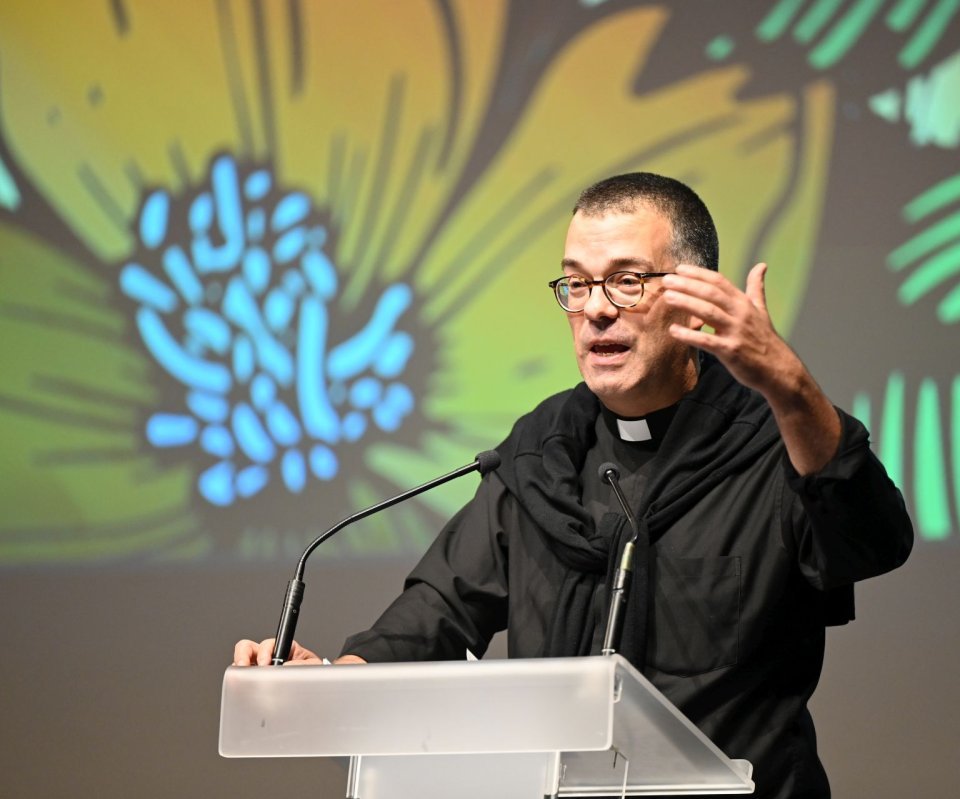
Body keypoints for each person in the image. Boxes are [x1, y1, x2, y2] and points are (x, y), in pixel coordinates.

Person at [234, 173, 913, 798]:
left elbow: (876, 540)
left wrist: (790, 387)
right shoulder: (540, 453)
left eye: (625, 282)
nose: (595, 311)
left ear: (693, 293)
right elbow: (434, 614)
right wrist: (324, 684)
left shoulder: (775, 440)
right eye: (577, 284)